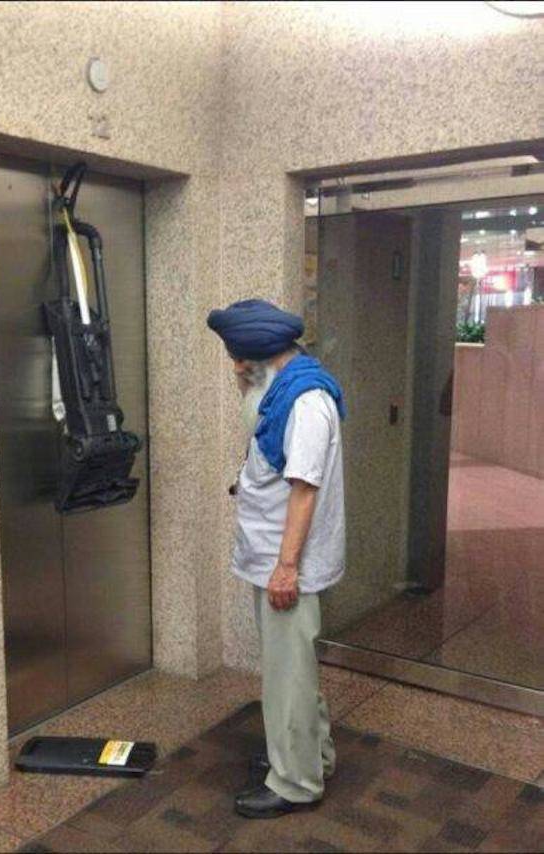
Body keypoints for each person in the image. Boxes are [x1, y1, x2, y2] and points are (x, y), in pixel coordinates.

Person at [207, 298, 347, 819]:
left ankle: (295, 783)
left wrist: (287, 568)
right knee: (293, 670)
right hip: (272, 558)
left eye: (240, 363)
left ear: (261, 358)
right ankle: (315, 758)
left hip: (286, 566)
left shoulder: (306, 403)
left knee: (288, 677)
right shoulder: (280, 394)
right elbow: (268, 451)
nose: (236, 371)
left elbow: (304, 490)